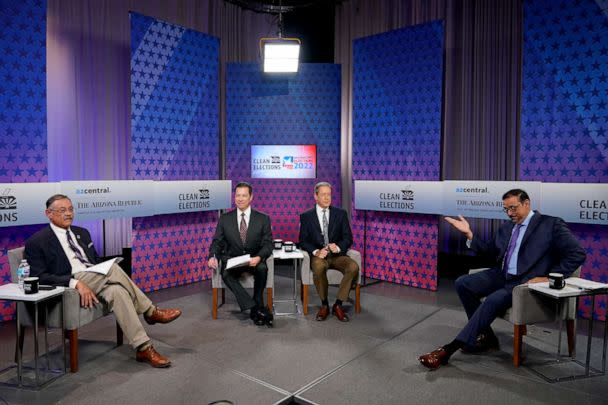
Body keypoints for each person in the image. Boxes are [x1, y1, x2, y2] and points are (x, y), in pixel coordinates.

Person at [418, 189, 586, 370]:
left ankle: (448, 350)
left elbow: (577, 254)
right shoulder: (507, 227)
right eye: (506, 209)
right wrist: (469, 235)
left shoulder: (550, 224)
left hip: (523, 282)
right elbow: (489, 254)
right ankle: (487, 337)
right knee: (463, 283)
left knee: (493, 300)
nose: (510, 213)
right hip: (502, 274)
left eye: (513, 208)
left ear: (526, 204)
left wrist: (548, 278)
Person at [25, 194, 182, 368]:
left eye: (71, 209)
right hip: (70, 284)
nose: (68, 213)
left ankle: (143, 348)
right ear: (49, 213)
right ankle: (150, 311)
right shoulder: (37, 241)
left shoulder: (82, 233)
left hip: (93, 278)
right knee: (113, 269)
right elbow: (40, 277)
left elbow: (95, 261)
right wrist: (75, 283)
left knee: (118, 291)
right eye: (63, 210)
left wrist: (101, 268)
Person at [207, 182, 274, 327]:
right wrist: (213, 256)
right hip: (233, 260)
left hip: (253, 259)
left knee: (262, 269)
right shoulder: (225, 218)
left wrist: (259, 257)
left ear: (251, 197)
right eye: (237, 195)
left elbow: (269, 244)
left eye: (244, 195)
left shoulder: (263, 218)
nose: (240, 199)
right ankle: (256, 307)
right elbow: (217, 241)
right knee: (225, 274)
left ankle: (257, 302)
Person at [298, 182, 359, 322]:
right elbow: (303, 240)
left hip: (337, 255)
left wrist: (337, 247)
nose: (327, 198)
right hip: (320, 256)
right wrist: (316, 251)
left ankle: (338, 304)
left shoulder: (341, 214)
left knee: (353, 267)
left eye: (329, 194)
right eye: (323, 194)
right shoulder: (306, 216)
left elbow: (348, 237)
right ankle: (324, 304)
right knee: (318, 267)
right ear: (316, 196)